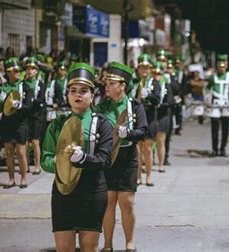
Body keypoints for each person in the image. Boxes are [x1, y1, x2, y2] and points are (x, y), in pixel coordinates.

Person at [41, 62, 113, 251]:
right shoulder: (57, 124)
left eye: (83, 91)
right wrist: (58, 162)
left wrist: (84, 159)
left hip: (92, 191)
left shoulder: (102, 124)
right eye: (72, 91)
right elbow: (45, 159)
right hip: (63, 192)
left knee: (89, 248)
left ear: (92, 96)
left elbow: (105, 161)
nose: (77, 95)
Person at [96, 62, 147, 251]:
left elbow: (143, 131)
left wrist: (128, 133)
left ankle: (129, 242)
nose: (106, 86)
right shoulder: (101, 106)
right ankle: (107, 244)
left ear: (123, 85)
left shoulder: (134, 105)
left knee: (127, 202)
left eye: (111, 82)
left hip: (127, 156)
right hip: (108, 157)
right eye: (106, 82)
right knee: (108, 201)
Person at [0, 57, 33, 188]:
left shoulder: (25, 87)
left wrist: (18, 106)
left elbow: (29, 107)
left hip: (20, 122)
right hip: (7, 123)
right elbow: (0, 106)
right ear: (8, 72)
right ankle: (11, 179)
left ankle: (23, 178)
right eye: (15, 70)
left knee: (21, 152)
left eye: (19, 70)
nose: (18, 72)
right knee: (9, 152)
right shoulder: (2, 88)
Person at [131, 54, 161, 186]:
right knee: (137, 149)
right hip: (136, 118)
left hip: (149, 117)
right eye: (142, 68)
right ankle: (137, 177)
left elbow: (157, 100)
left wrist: (149, 94)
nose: (144, 71)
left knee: (147, 149)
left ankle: (148, 176)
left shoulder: (154, 83)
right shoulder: (133, 83)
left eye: (147, 68)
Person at [205, 54, 229, 157]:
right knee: (214, 128)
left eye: (223, 66)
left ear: (226, 65)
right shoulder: (212, 77)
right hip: (215, 104)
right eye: (219, 66)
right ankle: (214, 149)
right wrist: (207, 98)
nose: (221, 68)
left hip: (226, 104)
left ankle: (223, 148)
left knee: (225, 129)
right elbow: (207, 88)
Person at [23, 57, 47, 175]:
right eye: (28, 68)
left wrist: (31, 100)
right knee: (25, 142)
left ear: (37, 71)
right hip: (25, 115)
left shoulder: (40, 84)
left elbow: (41, 98)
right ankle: (26, 165)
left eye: (33, 68)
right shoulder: (22, 83)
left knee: (35, 141)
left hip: (37, 115)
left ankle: (37, 165)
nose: (30, 71)